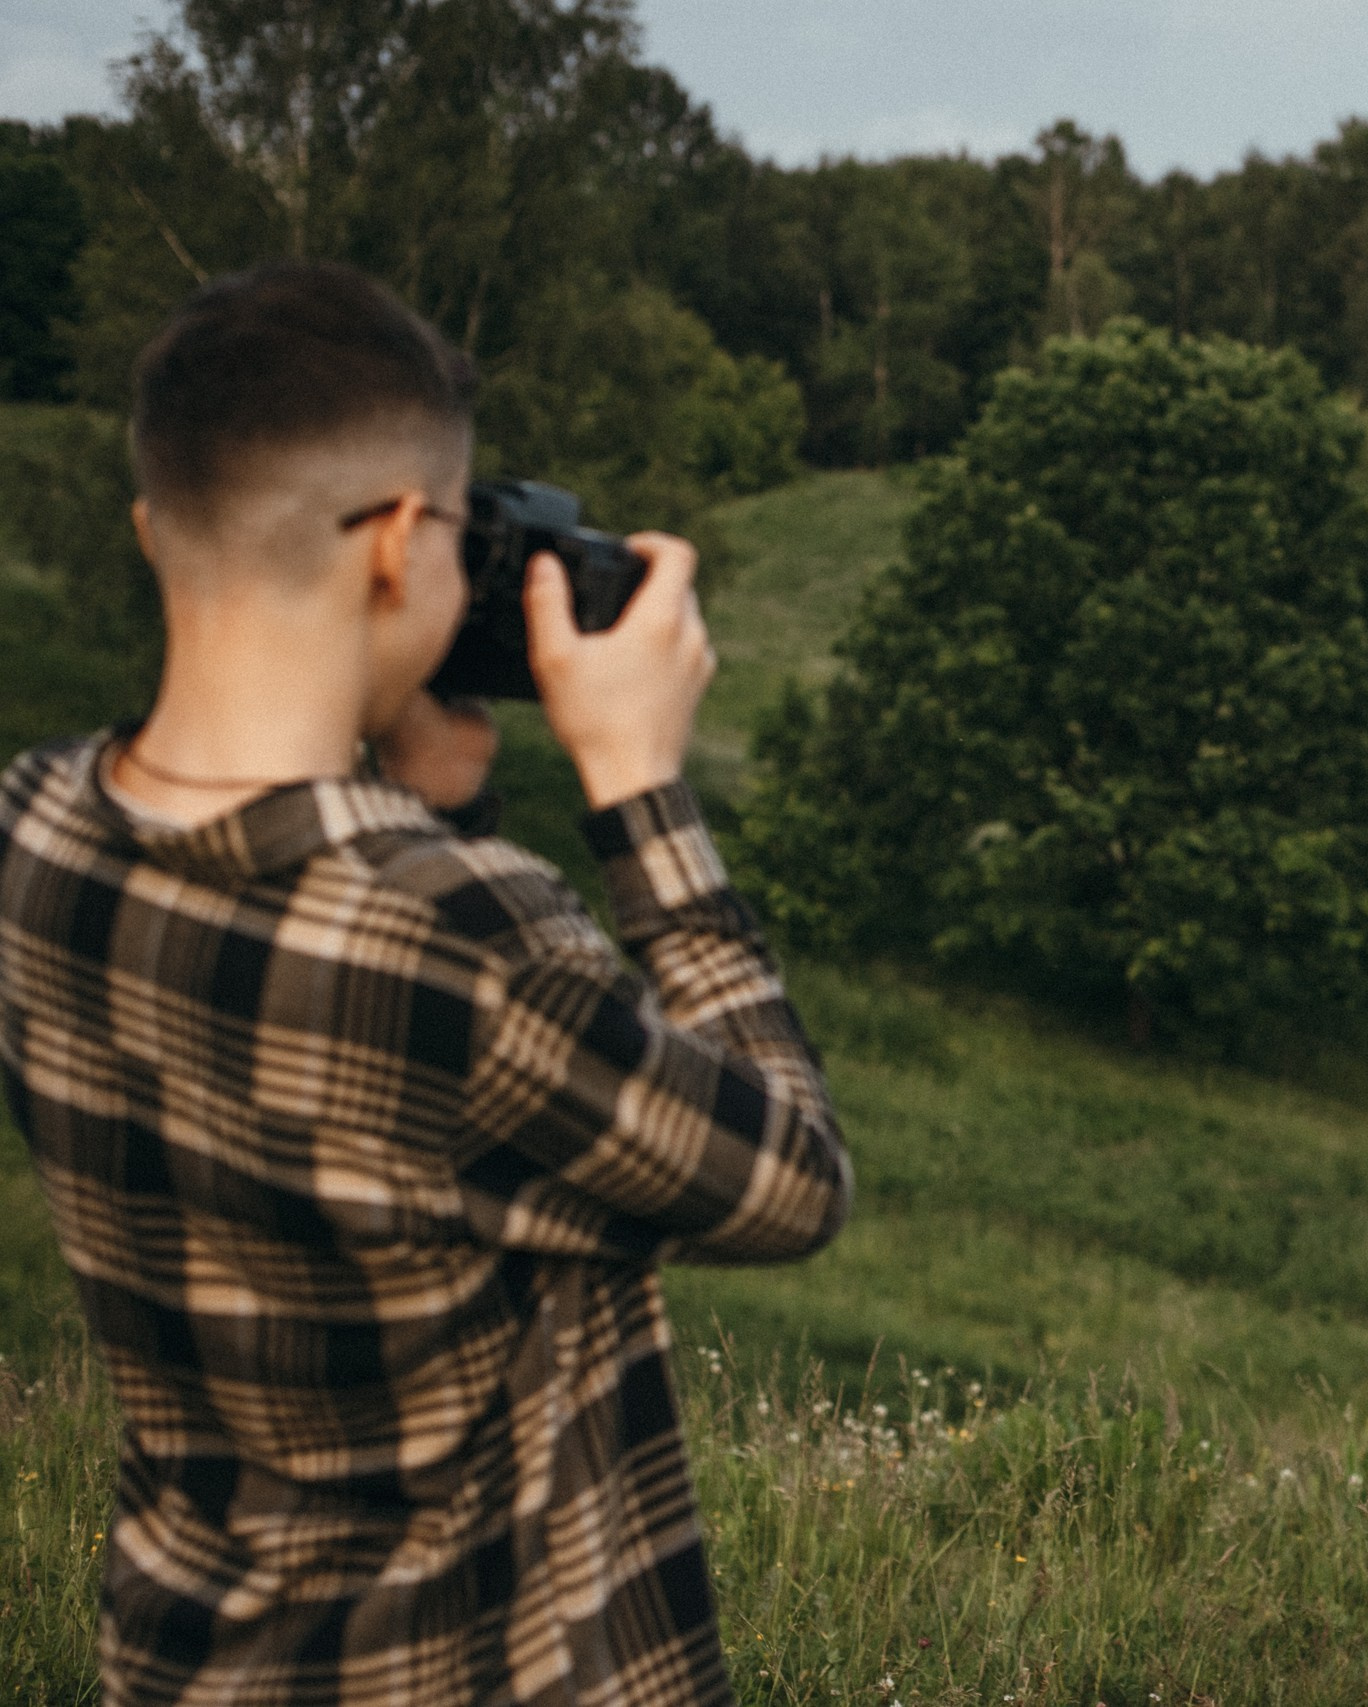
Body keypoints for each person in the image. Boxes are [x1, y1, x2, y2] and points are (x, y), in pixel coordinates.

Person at [0, 261, 849, 1707]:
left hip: (190, 1661)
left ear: (154, 531)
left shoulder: (36, 828)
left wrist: (431, 800)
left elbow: (344, 1056)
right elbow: (790, 1179)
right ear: (397, 544)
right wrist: (639, 784)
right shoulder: (457, 933)